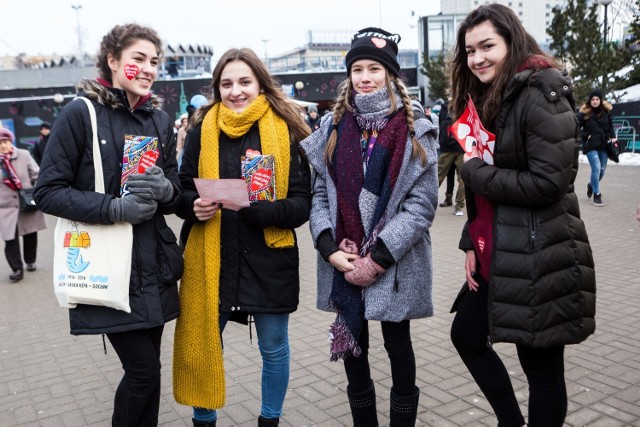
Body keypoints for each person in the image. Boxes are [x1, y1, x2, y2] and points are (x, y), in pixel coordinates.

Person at [447, 5, 596, 426]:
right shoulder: (490, 97)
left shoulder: (541, 92)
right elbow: (488, 187)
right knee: (467, 337)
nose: (477, 58)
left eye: (487, 46)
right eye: (470, 50)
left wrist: (476, 173)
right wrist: (469, 242)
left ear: (511, 41)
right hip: (497, 247)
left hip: (540, 252)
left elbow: (550, 183)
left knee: (542, 371)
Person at [33, 23, 183, 426]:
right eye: (138, 59)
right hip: (107, 267)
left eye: (155, 61)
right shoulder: (81, 113)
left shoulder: (160, 120)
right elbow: (47, 191)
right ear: (113, 61)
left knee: (148, 375)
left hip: (154, 268)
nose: (148, 68)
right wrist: (114, 208)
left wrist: (166, 187)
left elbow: (177, 192)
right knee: (143, 373)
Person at [300, 27, 439, 426]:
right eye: (357, 68)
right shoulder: (331, 127)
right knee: (353, 353)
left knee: (399, 348)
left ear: (391, 74)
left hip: (394, 261)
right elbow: (319, 196)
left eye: (374, 68)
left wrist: (376, 258)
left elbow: (421, 205)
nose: (365, 77)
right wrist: (328, 247)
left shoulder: (416, 130)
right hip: (342, 257)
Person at [173, 47, 311, 427]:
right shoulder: (202, 130)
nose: (236, 91)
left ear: (260, 84)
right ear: (217, 87)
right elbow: (183, 189)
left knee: (274, 348)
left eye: (245, 82)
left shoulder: (286, 129)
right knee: (203, 346)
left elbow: (303, 203)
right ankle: (204, 419)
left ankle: (270, 420)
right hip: (211, 257)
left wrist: (270, 212)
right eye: (227, 83)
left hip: (269, 257)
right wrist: (192, 207)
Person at [0, 128, 47, 282]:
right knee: (10, 239)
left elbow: (37, 174)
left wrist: (35, 190)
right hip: (5, 207)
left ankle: (30, 261)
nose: (3, 145)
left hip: (26, 202)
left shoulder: (23, 155)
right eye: (0, 143)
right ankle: (16, 269)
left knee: (30, 233)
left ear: (10, 142)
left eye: (5, 142)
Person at [578, 89, 616, 207]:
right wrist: (585, 135)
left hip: (603, 145)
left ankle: (591, 185)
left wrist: (613, 136)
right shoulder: (585, 114)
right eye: (593, 99)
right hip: (590, 146)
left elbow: (610, 126)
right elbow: (576, 128)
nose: (595, 101)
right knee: (597, 167)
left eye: (597, 99)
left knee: (602, 170)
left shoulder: (606, 113)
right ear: (590, 101)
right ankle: (597, 195)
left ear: (600, 100)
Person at [437, 101, 465, 216]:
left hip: (448, 148)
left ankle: (457, 205)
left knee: (438, 177)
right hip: (458, 147)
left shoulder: (443, 108)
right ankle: (458, 206)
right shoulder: (463, 105)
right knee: (461, 179)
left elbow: (440, 126)